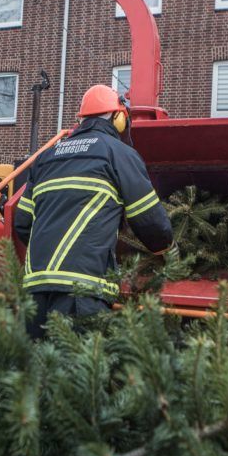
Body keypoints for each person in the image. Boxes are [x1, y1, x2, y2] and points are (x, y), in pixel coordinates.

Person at [14, 84, 175, 339]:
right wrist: (166, 249)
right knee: (76, 373)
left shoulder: (47, 156)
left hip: (35, 290)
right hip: (83, 292)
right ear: (118, 117)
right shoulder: (118, 153)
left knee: (36, 372)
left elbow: (22, 222)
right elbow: (149, 220)